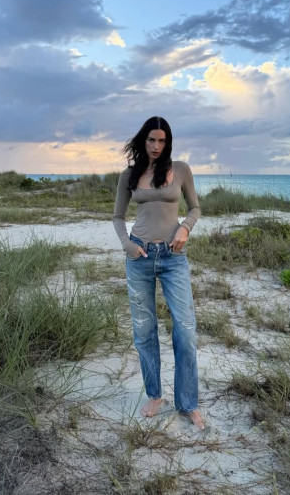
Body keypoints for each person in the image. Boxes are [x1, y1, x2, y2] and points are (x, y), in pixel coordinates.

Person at [113, 116, 204, 430]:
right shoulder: (129, 174)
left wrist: (185, 228)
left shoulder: (180, 169)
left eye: (162, 141)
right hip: (139, 256)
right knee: (144, 330)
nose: (156, 146)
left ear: (168, 143)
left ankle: (187, 404)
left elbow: (194, 208)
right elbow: (117, 216)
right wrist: (127, 244)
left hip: (172, 256)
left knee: (186, 329)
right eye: (151, 140)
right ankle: (154, 395)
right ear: (144, 140)